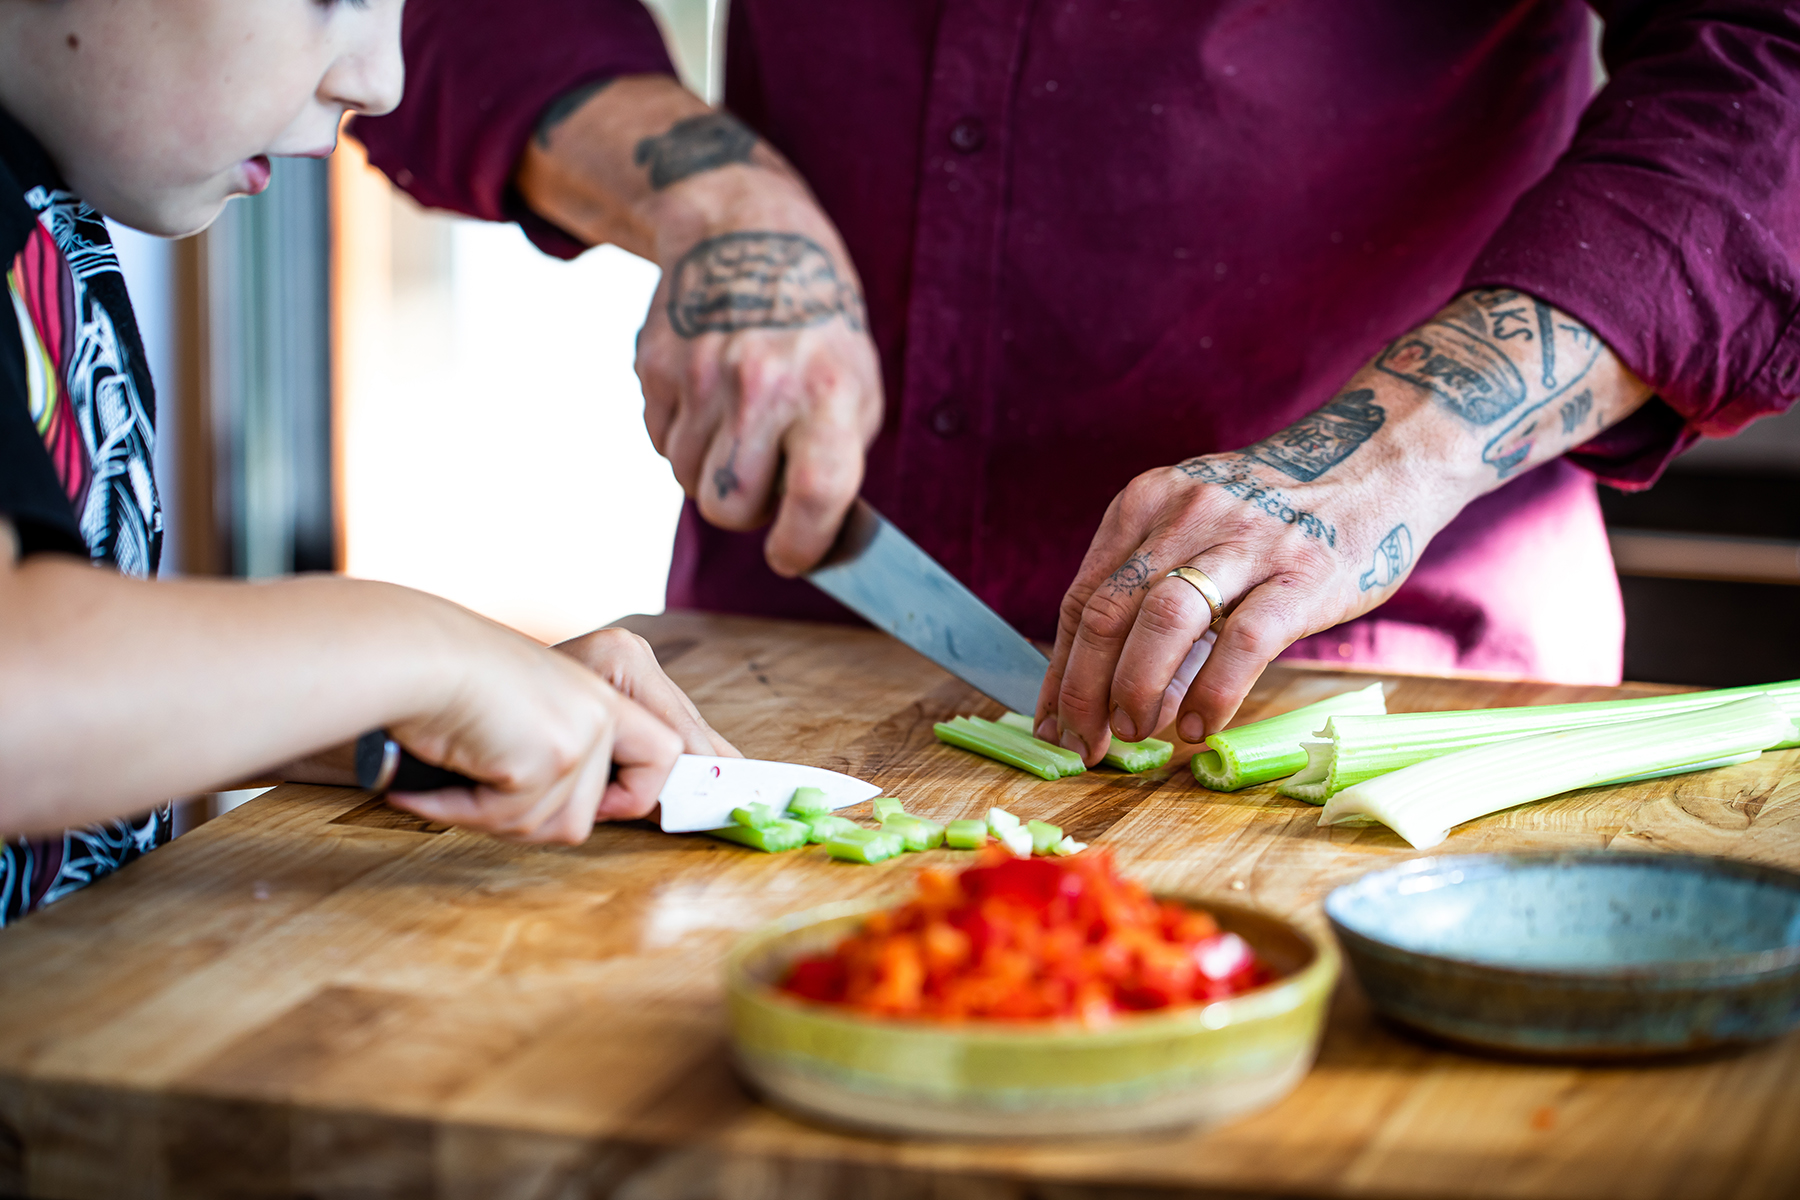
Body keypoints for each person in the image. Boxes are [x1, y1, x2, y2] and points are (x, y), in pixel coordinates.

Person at [356, 2, 1800, 765]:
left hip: (1376, 679)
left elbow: (1772, 53)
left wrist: (1397, 453)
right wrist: (715, 200)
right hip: (792, 666)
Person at [0, 0, 735, 925]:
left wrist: (408, 709)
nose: (378, 82)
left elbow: (72, 724)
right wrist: (422, 654)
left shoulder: (41, 218)